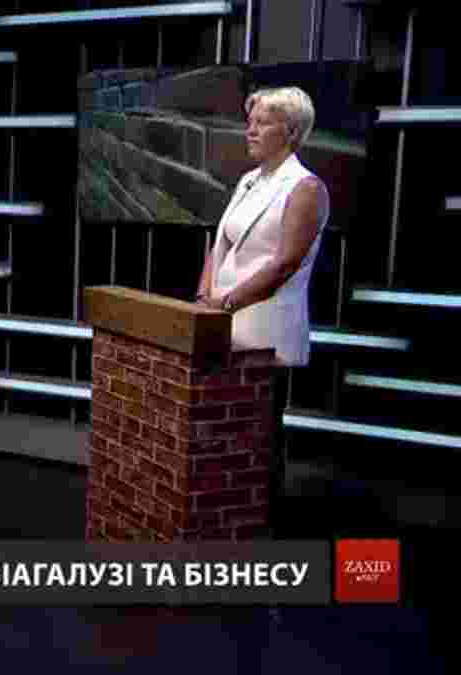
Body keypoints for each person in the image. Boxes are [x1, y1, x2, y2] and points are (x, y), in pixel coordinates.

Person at [196, 85, 331, 533]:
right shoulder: (248, 180)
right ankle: (223, 515)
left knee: (258, 432)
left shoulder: (306, 188)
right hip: (222, 323)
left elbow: (285, 264)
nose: (249, 130)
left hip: (264, 331)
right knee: (226, 430)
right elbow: (220, 245)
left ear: (290, 132)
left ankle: (261, 525)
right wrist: (203, 299)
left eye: (262, 122)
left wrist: (226, 302)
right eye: (249, 121)